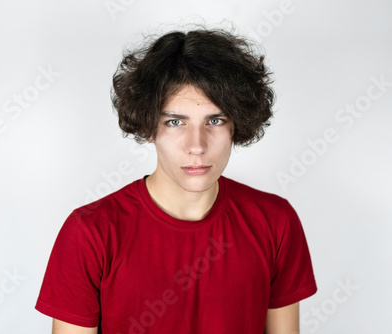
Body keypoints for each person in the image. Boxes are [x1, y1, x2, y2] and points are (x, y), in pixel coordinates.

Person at [35, 27, 317, 333]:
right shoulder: (90, 233)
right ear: (149, 127)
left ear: (237, 124)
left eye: (215, 120)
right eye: (175, 122)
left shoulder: (276, 222)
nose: (196, 145)